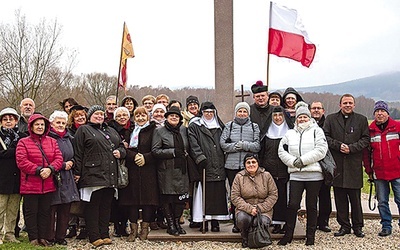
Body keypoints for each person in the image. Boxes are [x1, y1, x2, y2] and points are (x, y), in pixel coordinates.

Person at [73, 105, 126, 247]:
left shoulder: (111, 130)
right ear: (90, 116)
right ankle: (94, 235)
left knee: (106, 206)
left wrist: (121, 152)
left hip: (110, 174)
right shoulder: (83, 130)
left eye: (101, 114)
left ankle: (104, 233)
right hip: (92, 174)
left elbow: (121, 146)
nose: (99, 116)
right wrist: (77, 172)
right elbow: (78, 153)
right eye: (96, 114)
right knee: (93, 206)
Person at [278, 101, 328, 246]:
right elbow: (282, 150)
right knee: (292, 205)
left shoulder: (317, 131)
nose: (302, 119)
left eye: (305, 117)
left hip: (313, 174)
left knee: (311, 206)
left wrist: (303, 161)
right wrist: (294, 162)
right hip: (296, 175)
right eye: (300, 117)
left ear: (309, 117)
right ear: (296, 118)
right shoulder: (290, 133)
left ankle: (310, 236)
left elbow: (321, 150)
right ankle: (288, 235)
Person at [323, 94, 370, 238]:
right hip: (337, 165)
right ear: (340, 105)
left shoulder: (361, 120)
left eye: (350, 103)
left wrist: (351, 148)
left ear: (354, 105)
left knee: (355, 199)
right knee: (340, 198)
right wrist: (338, 146)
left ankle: (358, 226)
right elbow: (325, 136)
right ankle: (344, 226)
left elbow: (365, 139)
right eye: (345, 103)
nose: (348, 105)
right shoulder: (331, 119)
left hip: (353, 165)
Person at [16, 114, 63, 246]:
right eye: (37, 124)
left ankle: (43, 237)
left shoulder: (52, 142)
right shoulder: (23, 142)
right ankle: (33, 238)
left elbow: (58, 158)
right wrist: (38, 170)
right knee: (31, 212)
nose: (40, 127)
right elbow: (22, 161)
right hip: (30, 183)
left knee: (45, 212)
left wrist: (50, 169)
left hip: (48, 183)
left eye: (42, 124)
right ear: (31, 126)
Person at [188, 101, 229, 232]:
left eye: (211, 112)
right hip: (203, 164)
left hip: (219, 163)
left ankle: (215, 221)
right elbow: (193, 143)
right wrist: (199, 157)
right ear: (202, 113)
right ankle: (202, 221)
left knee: (217, 194)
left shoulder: (219, 126)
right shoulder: (195, 126)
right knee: (203, 194)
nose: (209, 115)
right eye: (206, 112)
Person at [119, 106, 158, 241]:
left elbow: (157, 149)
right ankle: (133, 229)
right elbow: (123, 148)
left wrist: (145, 158)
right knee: (132, 200)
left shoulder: (154, 130)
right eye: (138, 116)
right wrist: (134, 156)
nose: (140, 118)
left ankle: (145, 228)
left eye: (143, 116)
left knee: (148, 200)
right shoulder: (129, 131)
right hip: (132, 168)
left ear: (147, 117)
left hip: (148, 169)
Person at [220, 102, 260, 233]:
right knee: (234, 194)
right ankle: (236, 221)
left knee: (248, 194)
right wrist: (236, 147)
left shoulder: (254, 127)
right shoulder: (229, 126)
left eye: (244, 111)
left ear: (248, 113)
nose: (242, 114)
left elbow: (257, 146)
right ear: (236, 112)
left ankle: (250, 219)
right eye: (240, 111)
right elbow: (223, 144)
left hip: (248, 167)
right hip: (231, 166)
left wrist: (242, 145)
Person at [363, 101, 400, 237]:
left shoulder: (397, 127)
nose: (380, 114)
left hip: (397, 171)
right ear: (374, 114)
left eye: (382, 111)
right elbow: (366, 154)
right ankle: (386, 225)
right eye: (377, 111)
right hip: (379, 173)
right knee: (382, 202)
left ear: (387, 113)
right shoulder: (370, 130)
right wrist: (369, 171)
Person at [152, 106, 189, 236]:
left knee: (180, 198)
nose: (174, 117)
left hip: (182, 169)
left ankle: (177, 222)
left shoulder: (184, 130)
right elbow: (155, 151)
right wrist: (173, 152)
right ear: (166, 117)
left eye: (177, 116)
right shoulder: (159, 131)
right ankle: (170, 224)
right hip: (167, 170)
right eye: (171, 115)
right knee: (167, 197)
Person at [231, 153, 278, 248]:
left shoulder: (267, 176)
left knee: (262, 221)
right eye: (248, 162)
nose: (251, 164)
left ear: (258, 163)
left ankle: (259, 239)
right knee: (243, 219)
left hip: (263, 208)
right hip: (245, 208)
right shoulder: (239, 177)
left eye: (253, 162)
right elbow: (235, 197)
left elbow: (273, 195)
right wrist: (249, 209)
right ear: (245, 165)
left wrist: (259, 208)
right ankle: (245, 238)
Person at [259, 105, 293, 234]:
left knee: (285, 198)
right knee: (271, 198)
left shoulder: (290, 132)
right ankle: (273, 222)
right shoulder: (266, 133)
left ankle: (285, 223)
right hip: (270, 171)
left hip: (285, 171)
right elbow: (261, 152)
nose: (278, 118)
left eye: (280, 115)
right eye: (275, 116)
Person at [48, 111, 80, 245]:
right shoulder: (48, 138)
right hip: (53, 176)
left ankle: (61, 236)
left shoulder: (69, 138)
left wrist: (72, 162)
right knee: (51, 208)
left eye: (63, 122)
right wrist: (62, 165)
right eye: (58, 122)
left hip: (67, 176)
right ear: (51, 123)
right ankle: (49, 236)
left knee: (65, 209)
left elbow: (74, 154)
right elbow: (46, 157)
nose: (61, 125)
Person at [0, 108, 26, 244]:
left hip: (17, 178)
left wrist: (6, 153)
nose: (8, 121)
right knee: (0, 208)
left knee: (13, 209)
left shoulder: (22, 136)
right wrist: (13, 152)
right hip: (2, 178)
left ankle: (10, 234)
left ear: (16, 121)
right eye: (5, 119)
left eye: (11, 119)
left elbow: (23, 154)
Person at [108, 107, 133, 237]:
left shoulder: (133, 128)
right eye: (119, 116)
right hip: (116, 165)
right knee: (117, 199)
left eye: (125, 115)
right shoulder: (110, 129)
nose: (122, 117)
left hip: (131, 165)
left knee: (128, 198)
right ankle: (118, 226)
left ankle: (126, 223)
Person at [65, 104, 88, 239]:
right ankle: (72, 226)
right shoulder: (69, 132)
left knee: (85, 198)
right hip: (72, 167)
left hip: (86, 168)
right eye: (77, 116)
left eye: (82, 115)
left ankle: (84, 226)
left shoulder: (89, 129)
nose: (80, 118)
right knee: (72, 198)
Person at [310, 101, 332, 232]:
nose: (316, 110)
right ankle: (311, 220)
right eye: (314, 108)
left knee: (325, 194)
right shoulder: (305, 122)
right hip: (309, 164)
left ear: (323, 111)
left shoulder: (328, 124)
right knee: (310, 195)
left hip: (324, 164)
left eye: (319, 108)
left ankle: (323, 221)